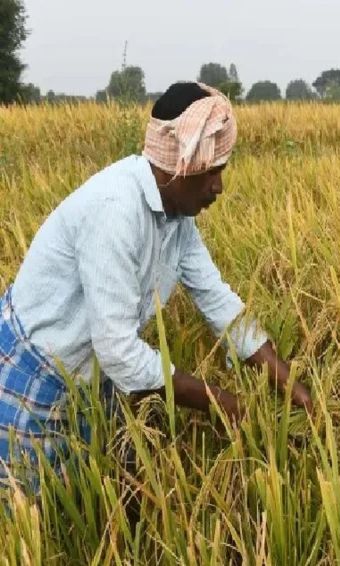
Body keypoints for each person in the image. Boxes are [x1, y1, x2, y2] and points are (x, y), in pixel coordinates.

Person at [0, 81, 312, 493]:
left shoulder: (176, 218)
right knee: (28, 510)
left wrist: (293, 388)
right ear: (179, 163)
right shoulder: (114, 213)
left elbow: (217, 299)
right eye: (212, 171)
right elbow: (118, 350)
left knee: (87, 496)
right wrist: (221, 402)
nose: (218, 186)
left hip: (92, 377)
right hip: (36, 371)